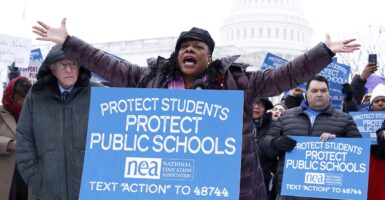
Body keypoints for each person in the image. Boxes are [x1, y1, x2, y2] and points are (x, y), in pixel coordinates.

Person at [32, 18, 360, 200]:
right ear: (177, 56)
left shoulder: (240, 84)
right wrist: (68, 42)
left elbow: (286, 74)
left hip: (233, 189)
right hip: (169, 187)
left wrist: (323, 52)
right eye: (184, 46)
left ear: (209, 56)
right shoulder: (148, 80)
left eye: (197, 46)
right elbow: (106, 63)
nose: (189, 49)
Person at [16, 45, 98, 199]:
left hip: (89, 191)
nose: (69, 69)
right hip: (49, 192)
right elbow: (24, 138)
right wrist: (37, 180)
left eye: (73, 63)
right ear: (53, 69)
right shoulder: (36, 96)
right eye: (63, 64)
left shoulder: (98, 93)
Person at [262, 75, 361, 200]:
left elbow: (359, 151)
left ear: (329, 93)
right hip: (290, 191)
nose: (319, 94)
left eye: (323, 90)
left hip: (328, 192)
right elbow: (264, 142)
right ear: (306, 93)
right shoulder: (286, 116)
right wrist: (276, 143)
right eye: (314, 91)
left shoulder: (344, 119)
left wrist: (338, 143)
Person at [1, 77, 32, 200]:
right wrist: (10, 144)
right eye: (19, 97)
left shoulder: (35, 114)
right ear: (11, 96)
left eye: (26, 97)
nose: (23, 101)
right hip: (6, 174)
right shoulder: (1, 113)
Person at [366, 83, 385, 200]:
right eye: (376, 101)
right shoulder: (360, 121)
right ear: (371, 105)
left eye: (383, 100)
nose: (380, 103)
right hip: (368, 166)